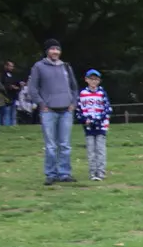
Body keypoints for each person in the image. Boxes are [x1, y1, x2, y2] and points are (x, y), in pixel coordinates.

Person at [27, 40, 78, 183]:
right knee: (51, 145)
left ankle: (64, 173)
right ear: (47, 51)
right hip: (48, 111)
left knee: (65, 144)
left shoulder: (66, 67)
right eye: (52, 49)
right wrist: (41, 104)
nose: (55, 51)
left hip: (66, 111)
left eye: (57, 49)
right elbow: (32, 88)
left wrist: (73, 103)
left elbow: (74, 87)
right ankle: (51, 174)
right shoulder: (38, 67)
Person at [75, 68, 111, 182]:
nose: (94, 82)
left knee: (100, 149)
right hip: (88, 126)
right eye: (91, 79)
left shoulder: (102, 93)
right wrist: (84, 120)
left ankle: (100, 172)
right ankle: (92, 172)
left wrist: (98, 120)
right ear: (86, 80)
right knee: (91, 150)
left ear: (99, 81)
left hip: (101, 126)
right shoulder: (82, 94)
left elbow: (107, 109)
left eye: (96, 79)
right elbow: (78, 110)